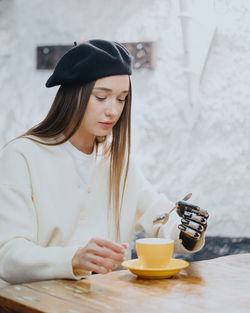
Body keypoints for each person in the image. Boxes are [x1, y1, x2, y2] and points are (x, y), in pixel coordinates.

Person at [0, 39, 209, 284]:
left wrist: (187, 231)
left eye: (122, 99)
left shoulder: (117, 160)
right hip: (38, 303)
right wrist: (74, 259)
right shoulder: (23, 156)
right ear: (72, 96)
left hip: (108, 302)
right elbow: (8, 256)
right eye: (101, 97)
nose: (113, 111)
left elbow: (159, 217)